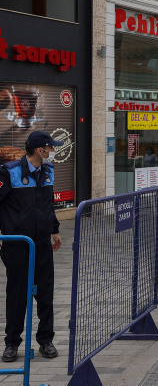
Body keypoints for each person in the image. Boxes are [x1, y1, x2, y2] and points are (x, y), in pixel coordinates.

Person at [0, 131, 63, 362]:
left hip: (41, 244)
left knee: (45, 294)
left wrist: (54, 230)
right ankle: (12, 344)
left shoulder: (48, 171)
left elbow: (49, 204)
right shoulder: (9, 172)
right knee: (17, 295)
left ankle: (45, 341)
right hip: (18, 244)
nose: (53, 152)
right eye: (51, 148)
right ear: (40, 150)